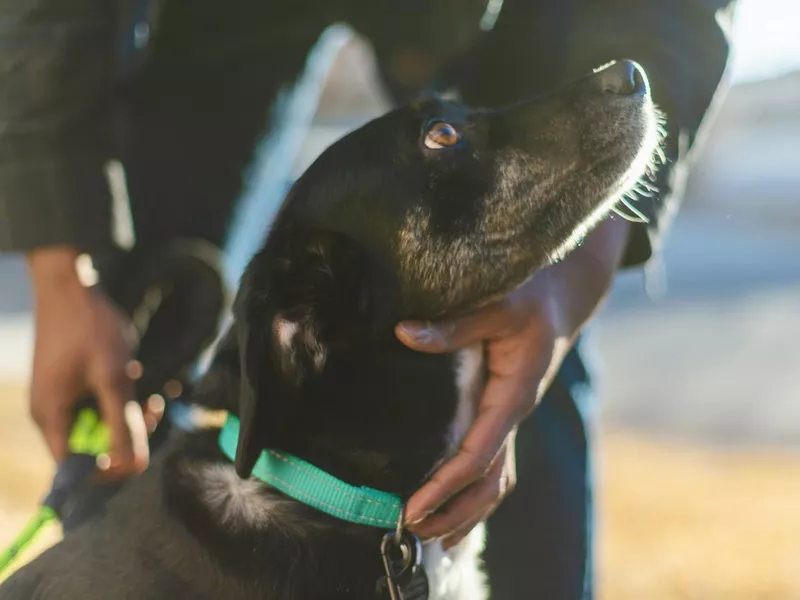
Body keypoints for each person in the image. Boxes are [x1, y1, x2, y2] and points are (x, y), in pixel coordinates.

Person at [0, 1, 736, 597]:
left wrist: (565, 287)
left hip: (492, 20)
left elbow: (668, 16)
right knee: (135, 348)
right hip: (213, 23)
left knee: (515, 316)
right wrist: (68, 274)